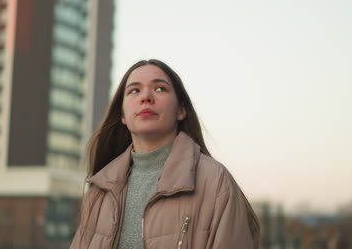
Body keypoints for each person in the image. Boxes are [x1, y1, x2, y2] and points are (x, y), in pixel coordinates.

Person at [70, 59, 260, 248]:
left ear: (181, 110)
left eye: (160, 88)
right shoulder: (99, 191)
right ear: (122, 116)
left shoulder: (216, 182)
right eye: (134, 90)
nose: (146, 97)